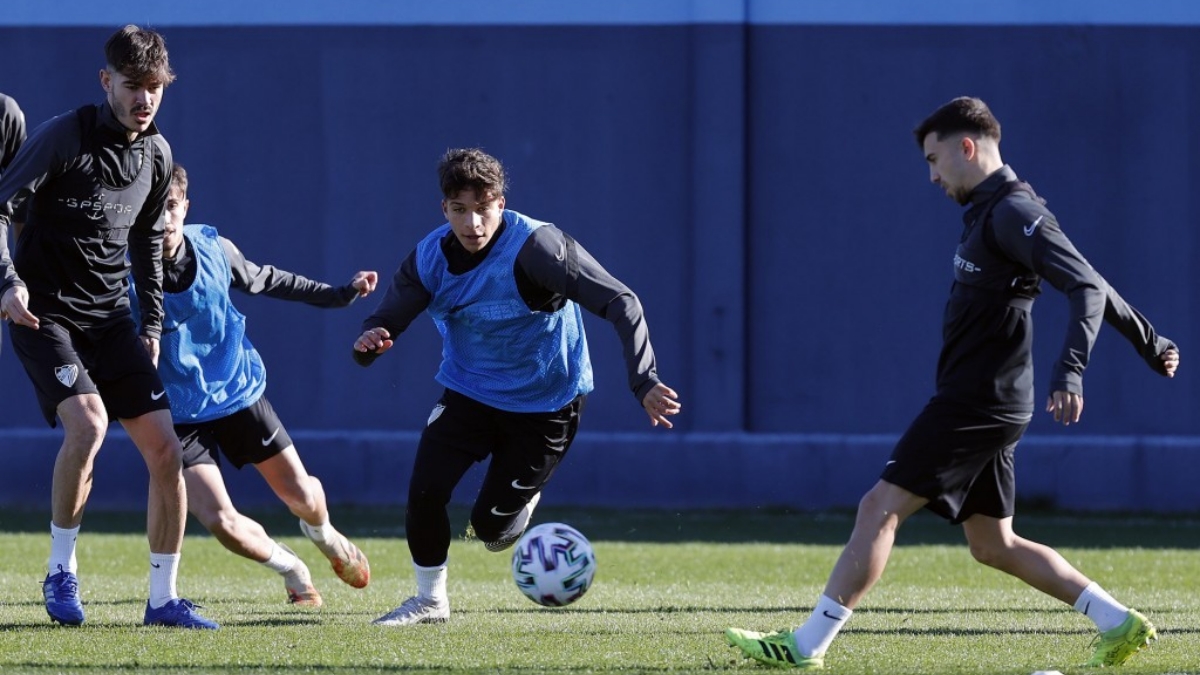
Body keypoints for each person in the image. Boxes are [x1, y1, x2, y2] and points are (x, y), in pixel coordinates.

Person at [726, 96, 1179, 669]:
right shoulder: (992, 212)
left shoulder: (1014, 211)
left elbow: (1085, 287)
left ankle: (805, 647)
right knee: (994, 544)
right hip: (988, 399)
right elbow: (1090, 277)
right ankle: (1118, 623)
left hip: (977, 401)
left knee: (879, 508)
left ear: (968, 147)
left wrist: (1071, 370)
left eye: (935, 159)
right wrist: (1150, 341)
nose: (932, 175)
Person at [352, 148, 681, 626]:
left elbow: (621, 302)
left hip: (547, 404)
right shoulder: (428, 258)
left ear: (500, 205)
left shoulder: (538, 249)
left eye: (483, 208)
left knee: (490, 530)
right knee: (425, 492)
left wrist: (644, 379)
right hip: (469, 391)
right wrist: (370, 341)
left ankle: (521, 502)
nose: (473, 223)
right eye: (460, 210)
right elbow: (384, 323)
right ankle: (429, 601)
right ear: (444, 210)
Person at [0, 25, 217, 629]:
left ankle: (163, 600)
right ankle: (60, 572)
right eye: (132, 86)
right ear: (106, 82)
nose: (143, 99)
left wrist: (150, 321)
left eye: (154, 88)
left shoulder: (158, 155)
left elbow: (149, 241)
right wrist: (6, 283)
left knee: (166, 452)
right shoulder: (65, 135)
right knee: (89, 424)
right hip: (43, 311)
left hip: (111, 318)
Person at [140, 162, 376, 606]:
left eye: (169, 206)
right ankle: (292, 567)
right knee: (220, 522)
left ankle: (324, 535)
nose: (161, 218)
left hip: (236, 393)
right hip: (178, 414)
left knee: (302, 496)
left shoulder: (213, 247)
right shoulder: (124, 270)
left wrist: (339, 293)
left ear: (185, 208)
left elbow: (269, 279)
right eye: (150, 208)